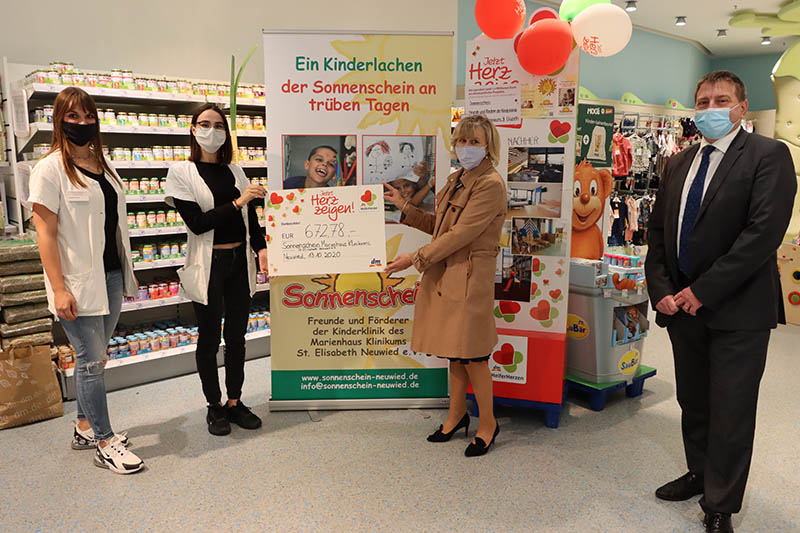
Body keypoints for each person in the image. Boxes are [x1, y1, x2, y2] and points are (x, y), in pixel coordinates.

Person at [645, 71, 796, 533]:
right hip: (681, 308)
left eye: (722, 99)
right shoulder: (678, 162)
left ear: (741, 107)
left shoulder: (770, 156)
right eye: (704, 100)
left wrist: (702, 291)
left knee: (731, 409)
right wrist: (663, 289)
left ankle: (720, 505)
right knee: (694, 400)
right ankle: (698, 472)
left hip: (738, 309)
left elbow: (761, 235)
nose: (711, 107)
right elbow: (657, 233)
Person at [27, 87, 144, 474]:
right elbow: (45, 233)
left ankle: (82, 426)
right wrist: (59, 288)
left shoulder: (101, 162)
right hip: (75, 282)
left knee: (97, 358)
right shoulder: (49, 169)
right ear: (58, 120)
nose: (81, 123)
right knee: (91, 360)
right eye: (72, 117)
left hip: (109, 275)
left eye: (88, 116)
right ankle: (104, 441)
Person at [384, 114, 507, 457]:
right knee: (456, 352)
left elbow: (463, 234)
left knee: (474, 354)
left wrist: (414, 258)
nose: (466, 147)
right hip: (448, 273)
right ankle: (456, 416)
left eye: (474, 141)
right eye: (462, 141)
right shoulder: (457, 179)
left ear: (488, 145)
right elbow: (443, 228)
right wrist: (405, 207)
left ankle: (488, 423)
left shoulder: (491, 184)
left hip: (469, 276)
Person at [165, 103, 269, 436]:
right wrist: (238, 202)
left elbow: (249, 218)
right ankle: (214, 406)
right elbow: (197, 224)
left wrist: (262, 248)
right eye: (205, 124)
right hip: (208, 265)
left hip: (240, 262)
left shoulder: (235, 171)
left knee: (237, 336)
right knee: (209, 338)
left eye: (219, 125)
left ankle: (235, 402)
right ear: (193, 129)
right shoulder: (181, 173)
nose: (213, 130)